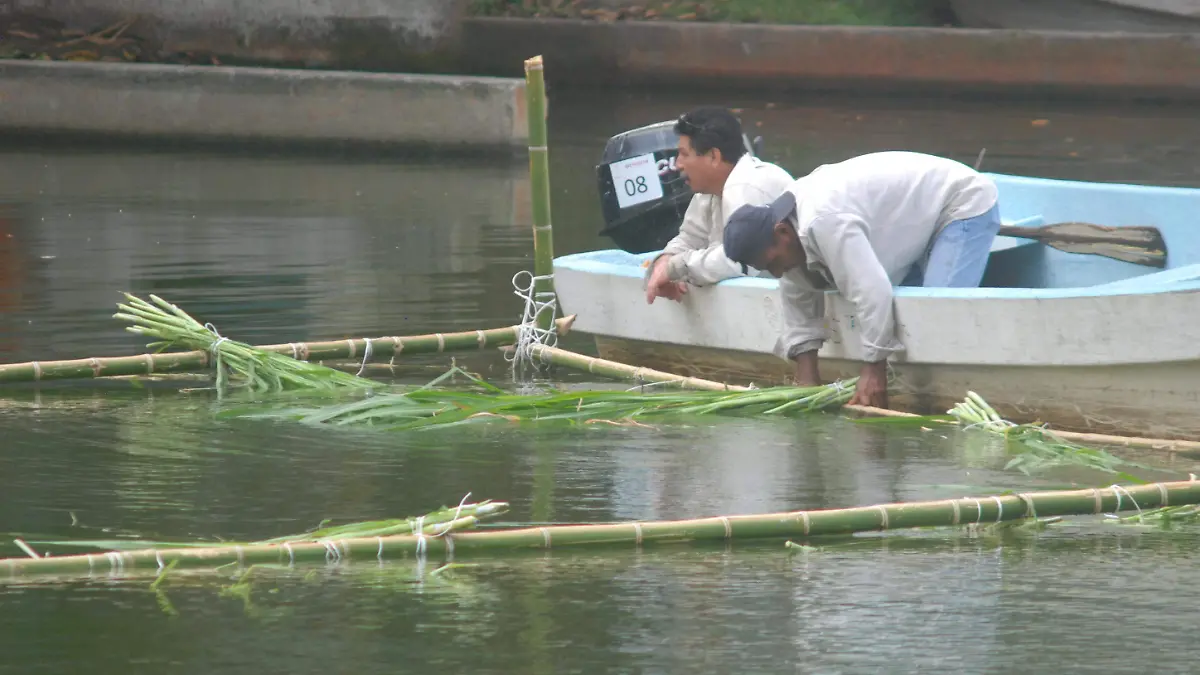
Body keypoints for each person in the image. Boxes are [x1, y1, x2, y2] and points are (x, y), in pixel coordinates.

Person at [720, 150, 1001, 409]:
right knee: (903, 317)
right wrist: (807, 382)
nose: (777, 273)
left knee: (933, 317)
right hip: (907, 221)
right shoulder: (784, 236)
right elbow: (798, 302)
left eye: (773, 264)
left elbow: (873, 292)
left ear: (782, 232)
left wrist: (873, 369)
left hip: (958, 201)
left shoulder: (824, 221)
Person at [644, 106, 793, 304]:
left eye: (684, 154)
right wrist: (665, 261)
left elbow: (737, 261)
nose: (677, 164)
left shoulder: (747, 185)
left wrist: (676, 267)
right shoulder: (709, 190)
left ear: (713, 156)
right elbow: (689, 238)